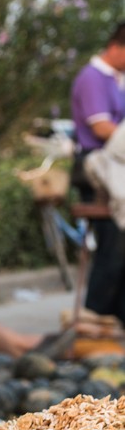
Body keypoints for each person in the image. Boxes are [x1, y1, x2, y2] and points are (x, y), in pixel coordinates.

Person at [71, 21, 125, 321]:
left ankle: (117, 321)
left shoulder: (119, 80)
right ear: (115, 47)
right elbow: (101, 127)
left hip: (118, 167)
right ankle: (95, 318)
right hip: (97, 169)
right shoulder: (92, 78)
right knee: (112, 250)